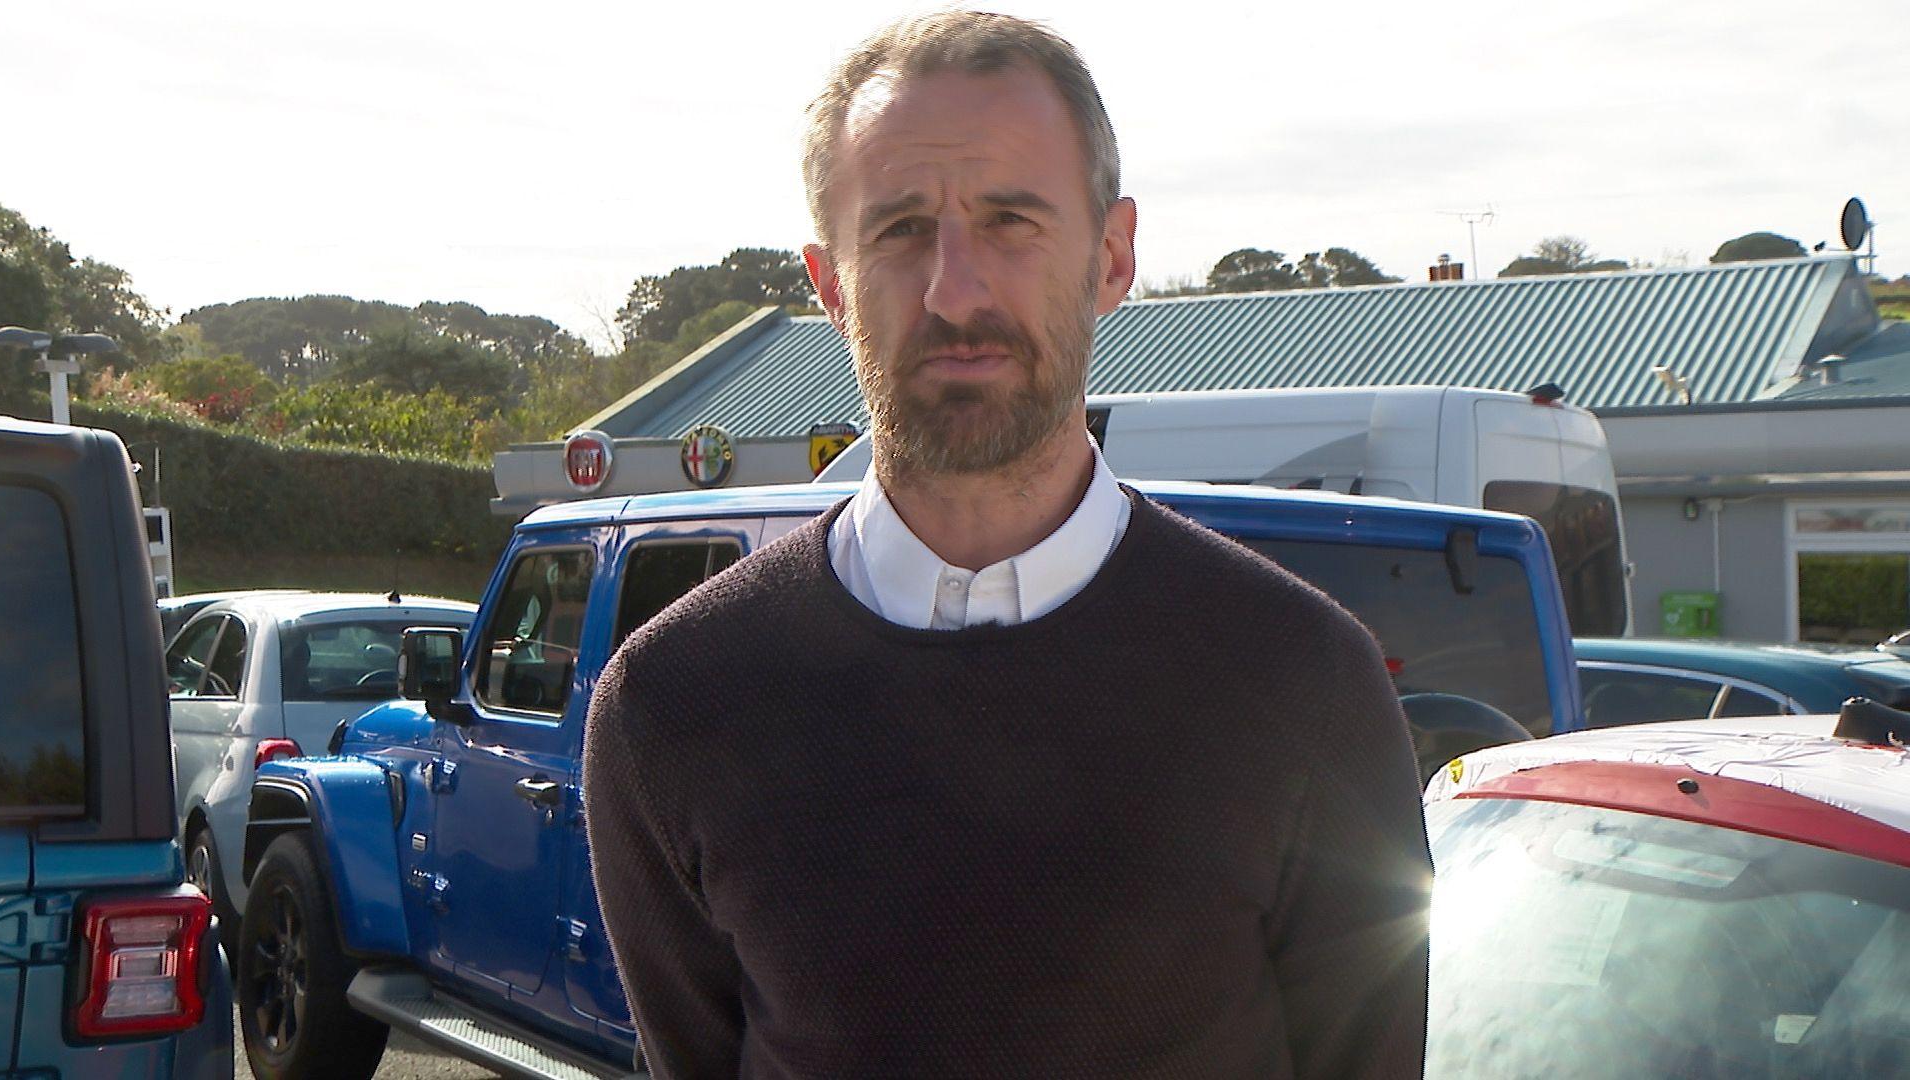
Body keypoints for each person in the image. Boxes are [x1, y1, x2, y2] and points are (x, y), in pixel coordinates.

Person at [583, 11, 1431, 1078]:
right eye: (898, 229)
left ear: (1113, 256)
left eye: (1011, 220)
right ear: (830, 284)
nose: (956, 289)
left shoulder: (1304, 680)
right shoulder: (673, 705)